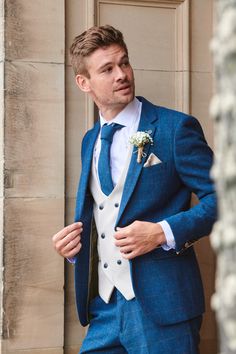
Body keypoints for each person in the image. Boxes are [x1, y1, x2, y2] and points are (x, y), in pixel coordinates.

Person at [52, 25, 217, 354]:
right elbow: (104, 211)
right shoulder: (90, 140)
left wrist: (162, 231)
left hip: (163, 309)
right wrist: (74, 248)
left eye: (124, 63)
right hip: (104, 308)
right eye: (107, 69)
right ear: (83, 82)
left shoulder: (174, 128)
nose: (121, 74)